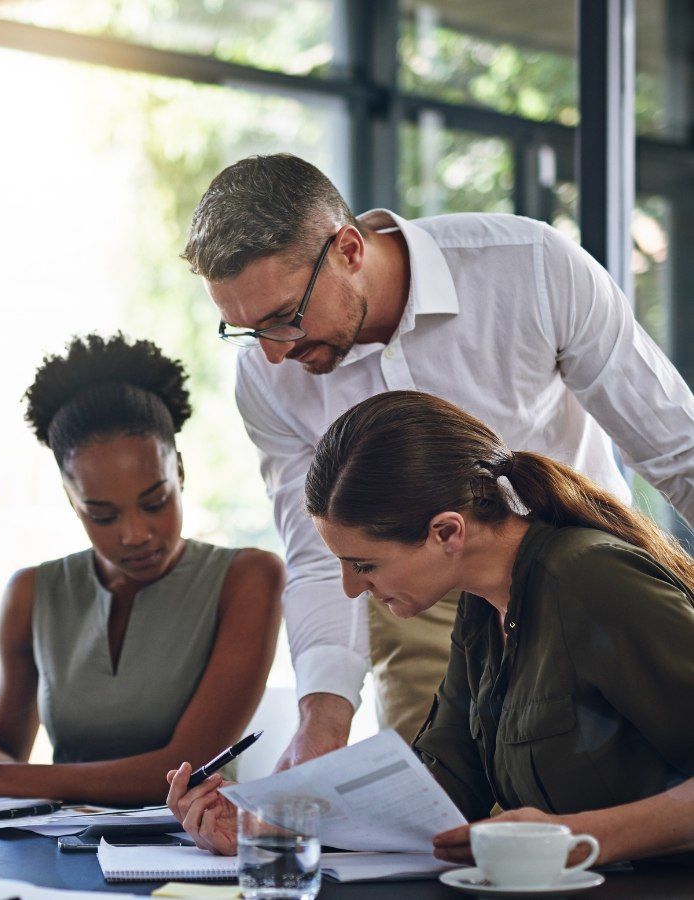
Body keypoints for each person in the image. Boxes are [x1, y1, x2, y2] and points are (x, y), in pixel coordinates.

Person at [182, 152, 694, 768]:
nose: (270, 355)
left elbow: (675, 447)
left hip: (575, 573)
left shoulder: (529, 268)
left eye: (283, 319)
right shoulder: (266, 376)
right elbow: (321, 556)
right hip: (408, 595)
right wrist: (321, 725)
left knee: (610, 785)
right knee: (429, 813)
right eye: (243, 330)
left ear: (348, 249)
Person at [166, 391, 694, 866]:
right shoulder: (482, 605)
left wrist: (576, 837)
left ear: (447, 532)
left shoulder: (590, 579)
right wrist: (270, 828)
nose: (352, 589)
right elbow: (443, 789)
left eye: (365, 565)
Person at [0, 334, 283, 805]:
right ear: (71, 500)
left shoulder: (248, 578)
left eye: (155, 502)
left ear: (180, 471)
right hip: (59, 847)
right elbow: (4, 750)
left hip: (194, 852)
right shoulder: (32, 592)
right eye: (103, 515)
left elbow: (184, 768)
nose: (135, 534)